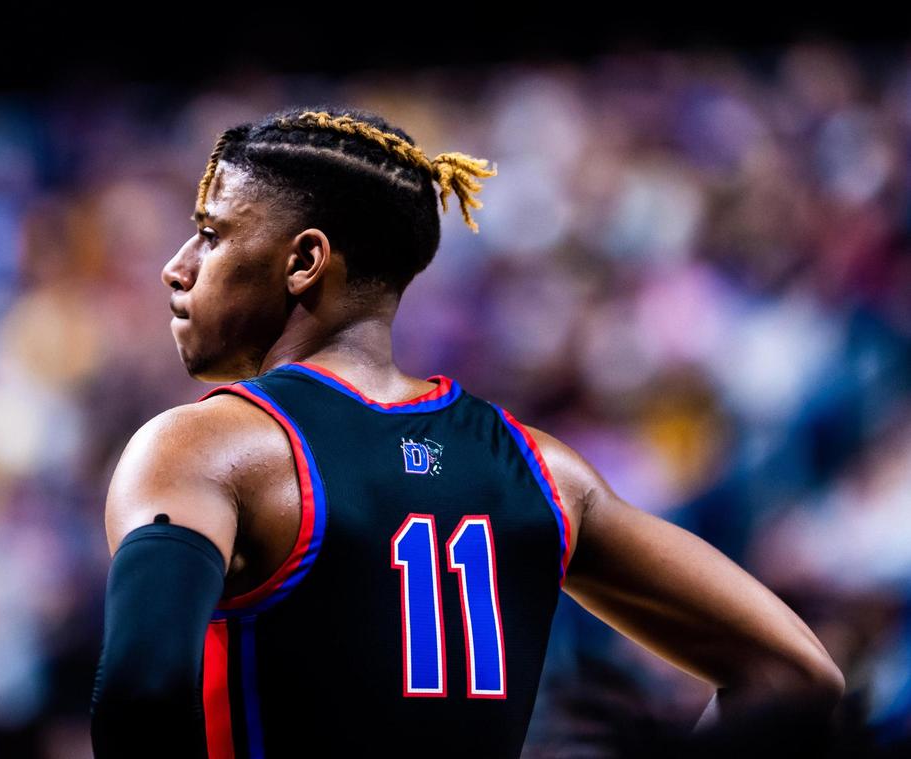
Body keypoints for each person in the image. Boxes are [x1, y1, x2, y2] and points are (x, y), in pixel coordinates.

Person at [88, 106, 845, 758]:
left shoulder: (205, 448)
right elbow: (795, 675)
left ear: (306, 261)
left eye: (210, 234)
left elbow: (143, 689)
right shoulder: (544, 471)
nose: (176, 268)